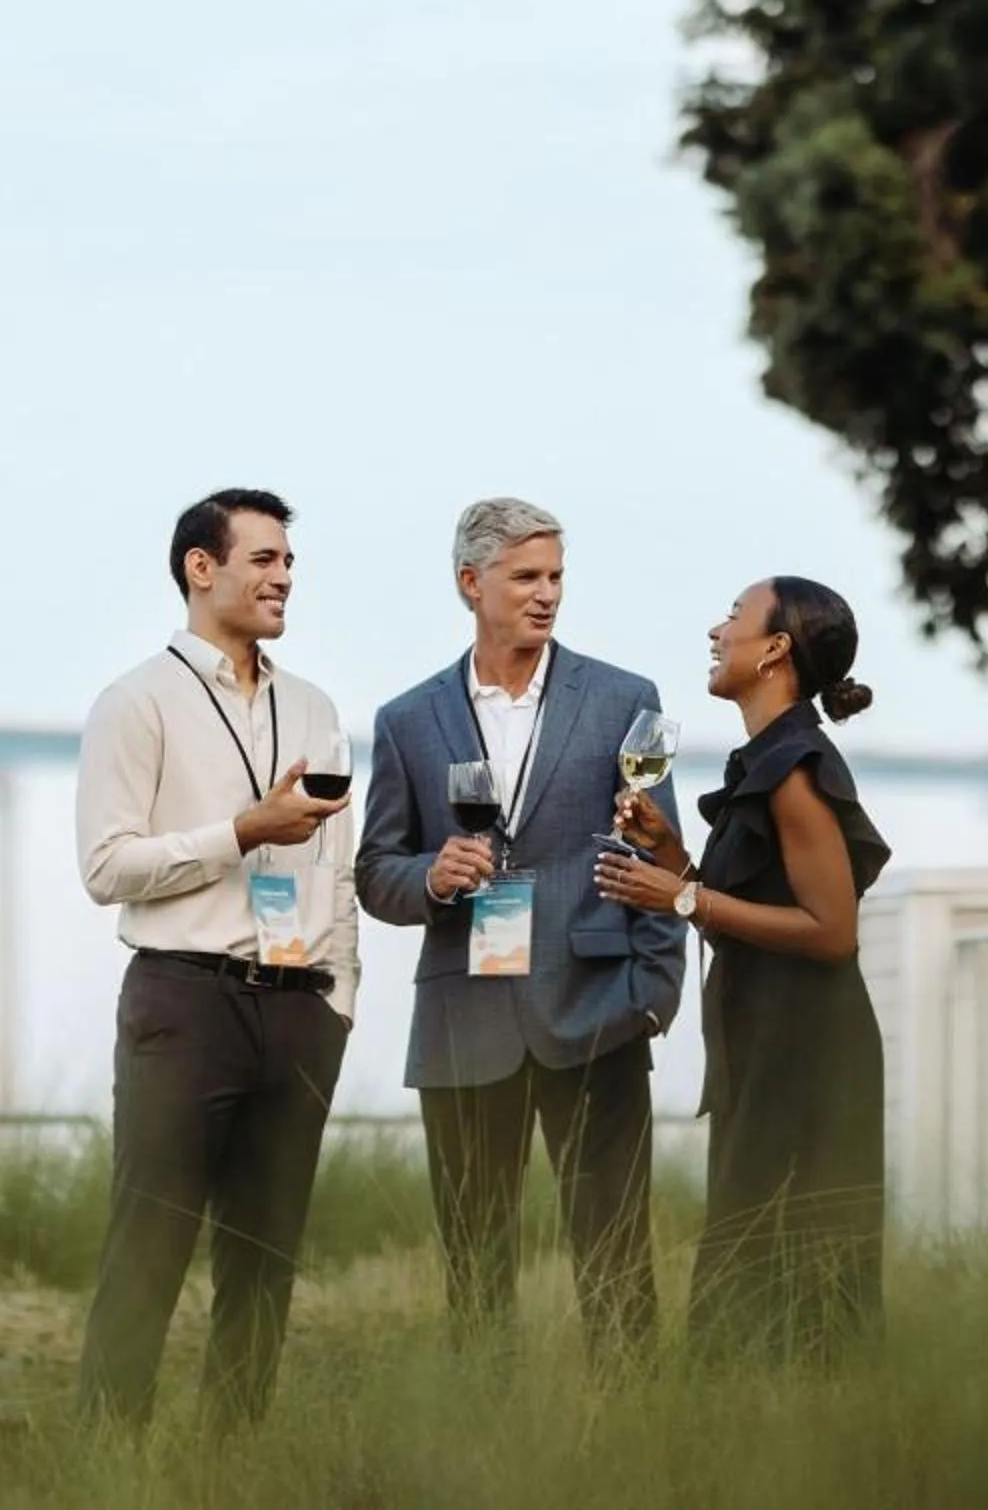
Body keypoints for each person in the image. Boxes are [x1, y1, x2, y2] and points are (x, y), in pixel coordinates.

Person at [355, 497, 685, 1364]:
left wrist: (654, 995)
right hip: (464, 1022)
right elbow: (374, 873)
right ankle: (490, 1453)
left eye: (557, 577)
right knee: (475, 1275)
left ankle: (631, 1446)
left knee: (618, 1266)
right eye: (526, 577)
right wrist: (430, 875)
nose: (548, 595)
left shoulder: (623, 698)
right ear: (472, 583)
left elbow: (662, 850)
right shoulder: (405, 719)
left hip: (596, 1012)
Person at [73, 488, 360, 1427]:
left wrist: (339, 1002)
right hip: (183, 1004)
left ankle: (228, 1472)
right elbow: (107, 868)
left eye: (289, 564)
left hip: (300, 1010)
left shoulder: (314, 708)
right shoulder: (135, 701)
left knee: (264, 1264)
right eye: (264, 560)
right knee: (147, 1252)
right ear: (203, 568)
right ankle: (103, 1468)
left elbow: (336, 872)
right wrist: (244, 830)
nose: (284, 578)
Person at [595, 576, 890, 1364]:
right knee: (749, 1265)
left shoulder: (796, 768)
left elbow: (831, 932)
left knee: (790, 1274)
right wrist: (672, 858)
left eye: (733, 616)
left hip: (812, 1059)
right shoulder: (763, 760)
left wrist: (684, 897)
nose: (716, 630)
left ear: (774, 650)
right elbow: (755, 920)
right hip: (765, 1049)